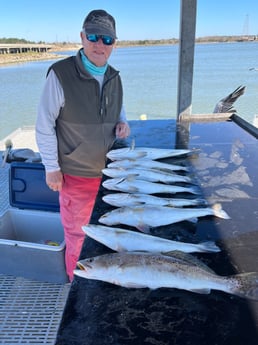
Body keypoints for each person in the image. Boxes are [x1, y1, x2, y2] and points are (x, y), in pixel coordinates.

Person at [36, 9, 130, 282]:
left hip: (112, 176)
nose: (100, 44)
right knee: (78, 235)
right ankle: (77, 293)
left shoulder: (114, 75)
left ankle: (102, 284)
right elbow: (44, 125)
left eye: (107, 39)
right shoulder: (60, 74)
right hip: (75, 174)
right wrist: (51, 168)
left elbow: (120, 111)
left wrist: (123, 124)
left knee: (111, 235)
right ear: (82, 37)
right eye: (93, 37)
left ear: (114, 43)